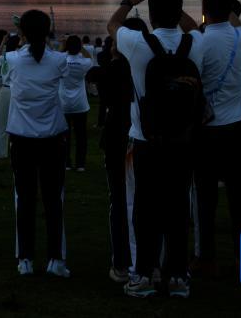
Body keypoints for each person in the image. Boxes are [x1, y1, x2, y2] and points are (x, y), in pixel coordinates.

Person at [107, 0, 202, 299]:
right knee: (178, 209)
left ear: (149, 13)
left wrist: (128, 0)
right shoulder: (195, 43)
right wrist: (177, 9)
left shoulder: (137, 43)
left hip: (145, 139)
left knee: (144, 211)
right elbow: (193, 27)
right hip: (182, 141)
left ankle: (144, 275)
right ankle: (178, 277)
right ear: (179, 11)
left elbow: (112, 26)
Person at [192, 0, 241, 276]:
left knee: (205, 197)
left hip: (206, 130)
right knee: (238, 196)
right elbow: (236, 23)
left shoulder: (197, 42)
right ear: (232, 6)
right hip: (236, 128)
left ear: (204, 8)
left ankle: (206, 256)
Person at [7, 9, 72, 279]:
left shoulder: (11, 59)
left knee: (25, 199)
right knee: (53, 200)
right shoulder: (59, 61)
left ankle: (25, 259)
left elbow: (10, 80)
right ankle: (55, 258)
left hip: (22, 138)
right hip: (53, 139)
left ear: (22, 32)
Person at [95, 20, 142, 284]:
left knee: (120, 202)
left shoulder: (114, 70)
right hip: (142, 138)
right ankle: (147, 261)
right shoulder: (143, 66)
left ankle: (123, 263)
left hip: (118, 139)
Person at [59, 35, 93, 171]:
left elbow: (55, 58)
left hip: (64, 104)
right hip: (80, 104)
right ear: (79, 47)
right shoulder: (84, 62)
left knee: (64, 136)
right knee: (81, 136)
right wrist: (82, 47)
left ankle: (66, 163)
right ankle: (80, 164)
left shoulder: (61, 60)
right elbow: (90, 59)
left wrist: (63, 47)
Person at [0, 35, 21, 160]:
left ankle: (0, 153)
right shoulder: (19, 57)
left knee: (1, 124)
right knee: (19, 124)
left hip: (5, 89)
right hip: (17, 90)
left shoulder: (4, 57)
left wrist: (3, 43)